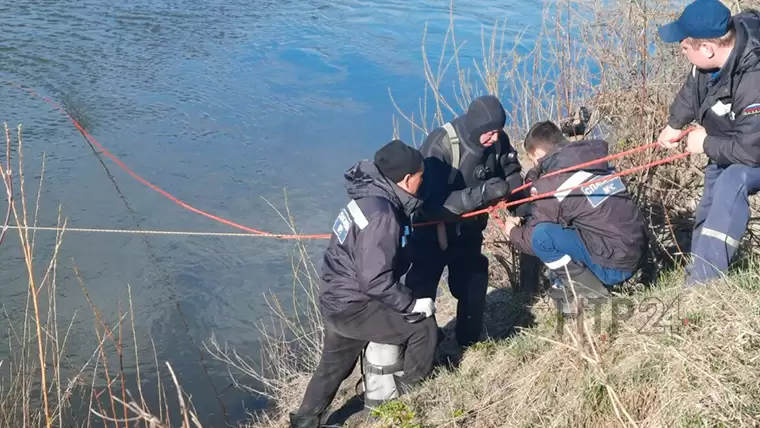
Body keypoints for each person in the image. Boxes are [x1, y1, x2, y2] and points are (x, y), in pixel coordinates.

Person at [289, 140, 439, 428]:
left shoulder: (366, 198)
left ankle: (304, 421)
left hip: (336, 298)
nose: (424, 180)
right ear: (407, 179)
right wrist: (411, 305)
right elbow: (375, 280)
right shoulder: (383, 215)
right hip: (356, 304)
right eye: (421, 175)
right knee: (423, 327)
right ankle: (409, 400)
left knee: (333, 367)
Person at [406, 94, 533, 349]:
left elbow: (511, 172)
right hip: (431, 236)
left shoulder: (498, 143)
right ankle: (419, 353)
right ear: (475, 128)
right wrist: (483, 194)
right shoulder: (440, 145)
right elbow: (431, 205)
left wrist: (517, 198)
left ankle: (468, 344)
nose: (495, 137)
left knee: (474, 282)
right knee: (420, 298)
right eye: (489, 133)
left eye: (498, 131)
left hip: (468, 233)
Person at [656, 0, 760, 286]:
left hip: (753, 150)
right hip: (734, 139)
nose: (681, 49)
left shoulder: (754, 79)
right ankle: (698, 268)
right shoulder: (711, 59)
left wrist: (704, 143)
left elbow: (751, 151)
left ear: (708, 48)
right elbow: (694, 88)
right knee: (710, 201)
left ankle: (703, 284)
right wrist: (674, 124)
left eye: (685, 45)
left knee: (733, 181)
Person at [501, 121, 648, 313]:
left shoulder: (553, 185)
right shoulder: (593, 162)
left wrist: (512, 232)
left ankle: (593, 297)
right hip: (638, 251)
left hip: (615, 265)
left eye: (531, 159)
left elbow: (531, 240)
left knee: (542, 236)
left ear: (536, 154)